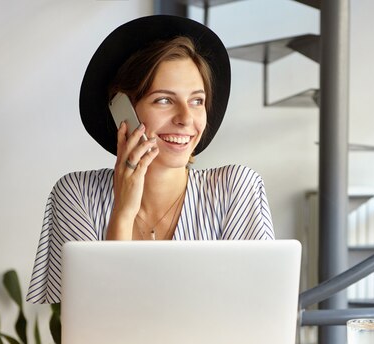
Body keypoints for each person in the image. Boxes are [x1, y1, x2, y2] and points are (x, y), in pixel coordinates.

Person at [27, 15, 275, 304]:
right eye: (164, 100)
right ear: (123, 111)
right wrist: (122, 213)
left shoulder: (236, 188)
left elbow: (256, 309)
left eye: (197, 100)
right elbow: (94, 319)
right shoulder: (76, 194)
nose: (186, 119)